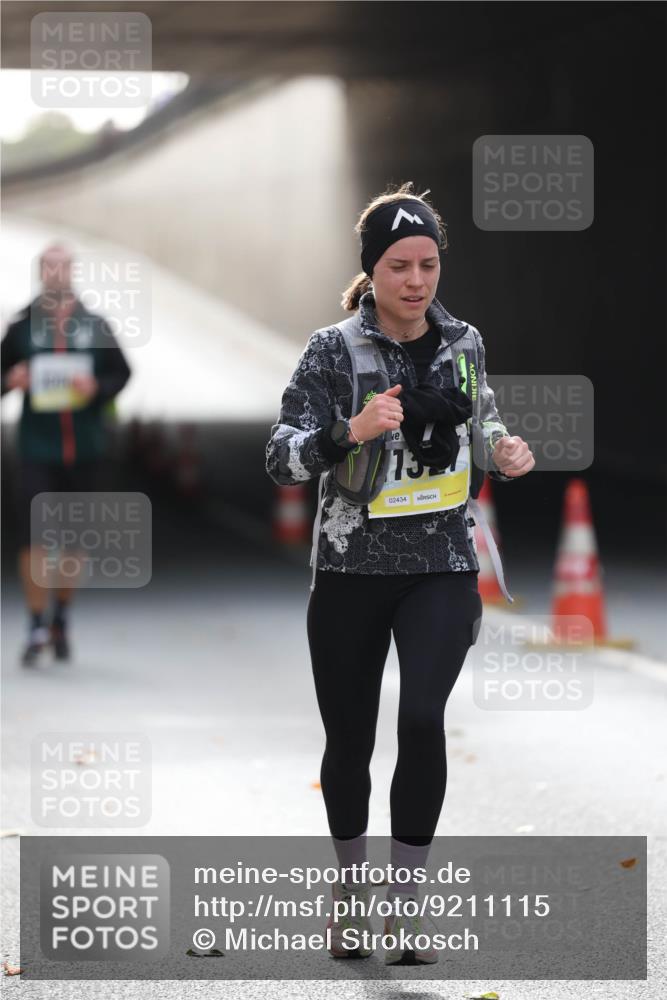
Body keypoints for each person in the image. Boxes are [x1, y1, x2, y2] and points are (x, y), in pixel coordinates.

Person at [265, 182, 534, 964]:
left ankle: (406, 911)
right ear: (370, 271)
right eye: (397, 267)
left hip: (440, 563)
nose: (415, 282)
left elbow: (482, 429)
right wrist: (346, 431)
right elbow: (280, 456)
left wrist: (506, 453)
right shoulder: (330, 351)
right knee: (348, 744)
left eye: (427, 265)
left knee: (421, 720)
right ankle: (350, 895)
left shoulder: (465, 344)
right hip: (350, 568)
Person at [1, 243, 131, 666]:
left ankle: (61, 616)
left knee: (74, 541)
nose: (56, 273)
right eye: (48, 267)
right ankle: (36, 622)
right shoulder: (21, 326)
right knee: (35, 536)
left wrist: (98, 389)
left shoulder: (94, 324)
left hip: (86, 448)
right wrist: (12, 378)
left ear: (72, 271)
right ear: (41, 272)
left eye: (63, 266)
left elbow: (121, 373)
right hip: (37, 448)